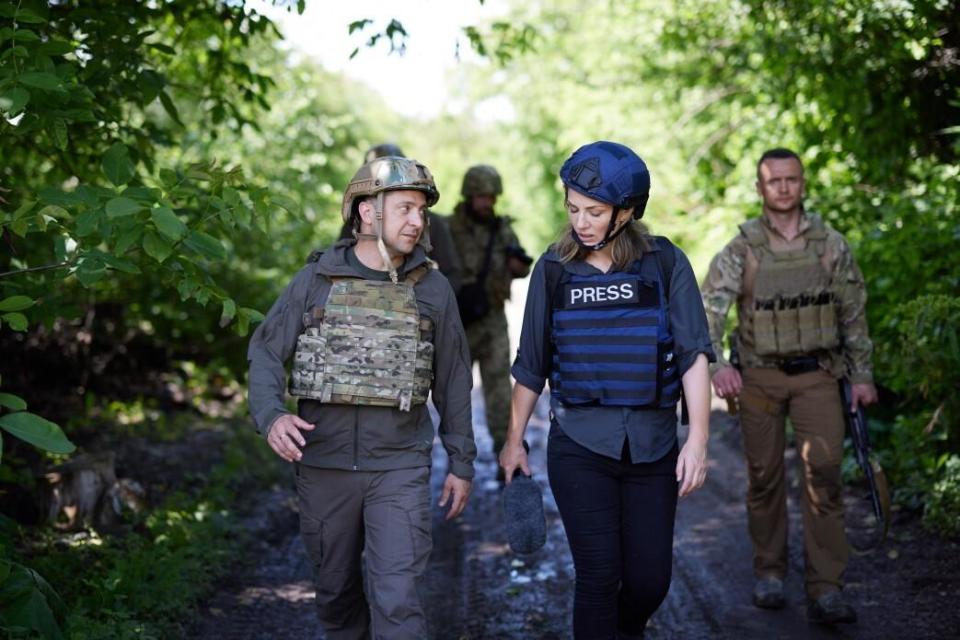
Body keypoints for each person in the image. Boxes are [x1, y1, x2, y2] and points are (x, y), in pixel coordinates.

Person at [247, 156, 476, 639]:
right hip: (324, 466)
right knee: (335, 597)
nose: (418, 221)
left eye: (422, 212)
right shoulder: (316, 280)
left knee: (398, 601)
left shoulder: (433, 289)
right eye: (406, 208)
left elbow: (453, 380)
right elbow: (266, 350)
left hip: (399, 467)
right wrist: (270, 416)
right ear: (367, 212)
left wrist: (461, 462)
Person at [500, 141, 713, 639]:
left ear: (627, 211)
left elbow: (693, 355)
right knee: (598, 577)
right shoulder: (553, 269)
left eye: (594, 211)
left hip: (653, 445)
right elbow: (531, 366)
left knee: (649, 583)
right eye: (573, 209)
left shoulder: (664, 264)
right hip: (579, 445)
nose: (582, 221)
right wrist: (514, 441)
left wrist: (698, 440)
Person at [700, 148, 878, 625]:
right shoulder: (743, 248)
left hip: (819, 374)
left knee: (824, 473)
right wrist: (717, 366)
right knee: (763, 477)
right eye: (773, 180)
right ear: (760, 188)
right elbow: (708, 312)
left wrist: (861, 375)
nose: (783, 187)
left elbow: (853, 312)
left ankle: (826, 586)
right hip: (758, 377)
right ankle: (770, 573)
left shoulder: (829, 243)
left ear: (802, 184)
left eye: (791, 179)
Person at [448, 164, 532, 463]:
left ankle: (505, 455)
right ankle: (457, 458)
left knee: (498, 393)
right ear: (469, 195)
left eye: (492, 197)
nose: (488, 203)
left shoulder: (502, 229)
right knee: (455, 393)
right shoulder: (449, 228)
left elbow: (522, 267)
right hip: (459, 322)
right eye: (482, 196)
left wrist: (516, 265)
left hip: (493, 318)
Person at [338, 143, 464, 293]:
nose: (417, 222)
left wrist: (427, 300)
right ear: (366, 213)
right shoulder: (354, 224)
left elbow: (453, 274)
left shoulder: (433, 223)